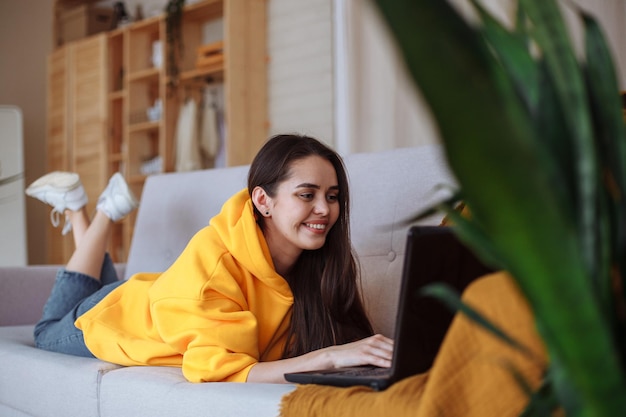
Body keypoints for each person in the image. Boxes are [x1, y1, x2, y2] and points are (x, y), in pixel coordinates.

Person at [28, 134, 394, 383]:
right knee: (46, 332)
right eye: (306, 194)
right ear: (263, 201)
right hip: (120, 316)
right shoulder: (216, 261)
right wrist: (327, 358)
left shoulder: (321, 262)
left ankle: (87, 211)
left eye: (332, 196)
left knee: (101, 289)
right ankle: (92, 211)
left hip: (162, 298)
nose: (323, 209)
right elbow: (220, 370)